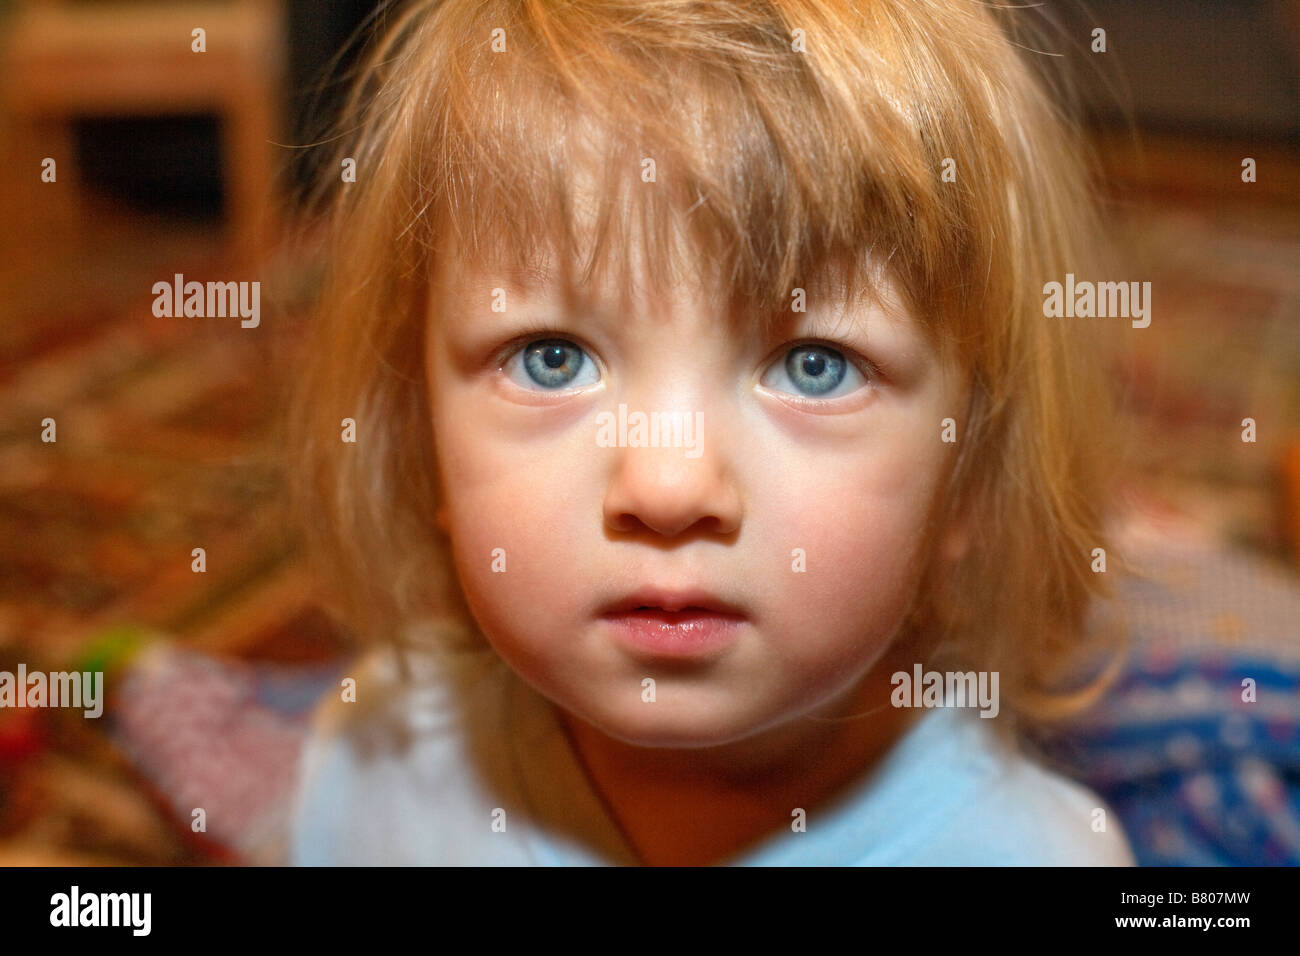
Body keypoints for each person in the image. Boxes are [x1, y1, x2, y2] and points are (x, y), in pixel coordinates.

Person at [285, 0, 1136, 866]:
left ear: (973, 472)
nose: (668, 488)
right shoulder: (372, 761)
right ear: (417, 431)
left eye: (816, 365)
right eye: (551, 358)